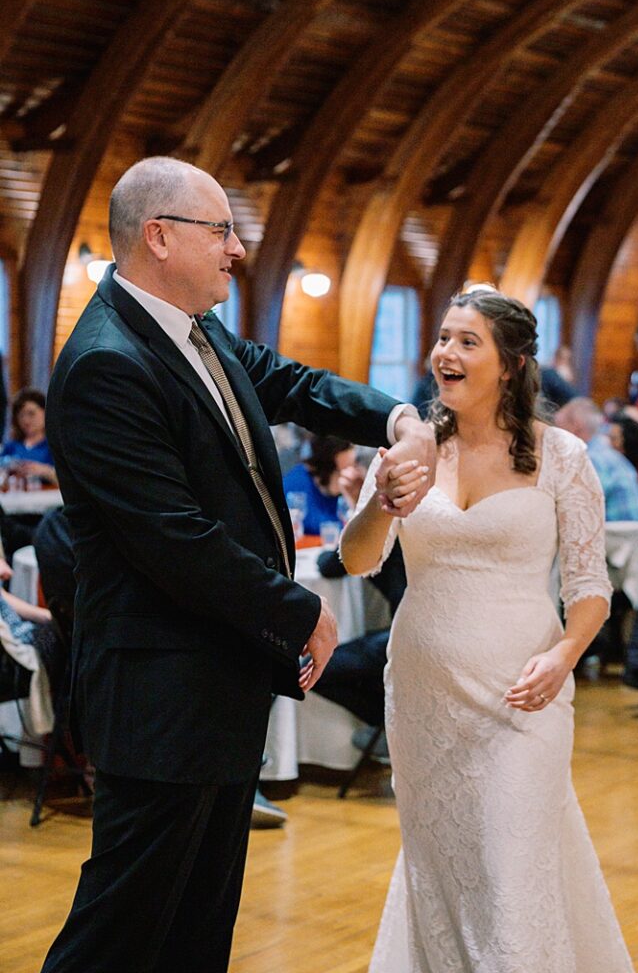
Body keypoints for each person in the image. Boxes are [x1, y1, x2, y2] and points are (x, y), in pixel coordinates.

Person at [39, 156, 435, 973]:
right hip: (157, 694)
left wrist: (396, 414)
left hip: (213, 679)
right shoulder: (108, 362)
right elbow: (173, 538)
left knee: (198, 921)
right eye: (219, 230)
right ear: (159, 237)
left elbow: (291, 383)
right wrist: (301, 609)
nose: (235, 249)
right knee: (120, 929)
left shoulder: (193, 330)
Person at [341, 289, 633, 972]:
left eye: (468, 341)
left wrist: (562, 658)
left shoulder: (562, 456)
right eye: (443, 338)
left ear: (510, 364)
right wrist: (383, 501)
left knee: (509, 871)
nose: (446, 353)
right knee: (443, 864)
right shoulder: (408, 448)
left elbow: (591, 588)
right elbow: (358, 560)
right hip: (424, 696)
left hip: (521, 695)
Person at [555, 397, 638, 523]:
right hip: (630, 538)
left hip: (611, 537)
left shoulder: (589, 460)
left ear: (575, 427)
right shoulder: (612, 455)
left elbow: (579, 511)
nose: (553, 437)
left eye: (558, 428)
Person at [282, 434, 363, 536]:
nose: (352, 474)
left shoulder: (355, 487)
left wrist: (355, 501)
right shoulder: (294, 484)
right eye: (343, 470)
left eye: (354, 465)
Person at [1, 388, 58, 486]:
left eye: (31, 414)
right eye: (21, 415)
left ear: (45, 412)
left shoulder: (55, 446)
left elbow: (69, 482)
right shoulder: (10, 446)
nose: (26, 420)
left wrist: (45, 471)